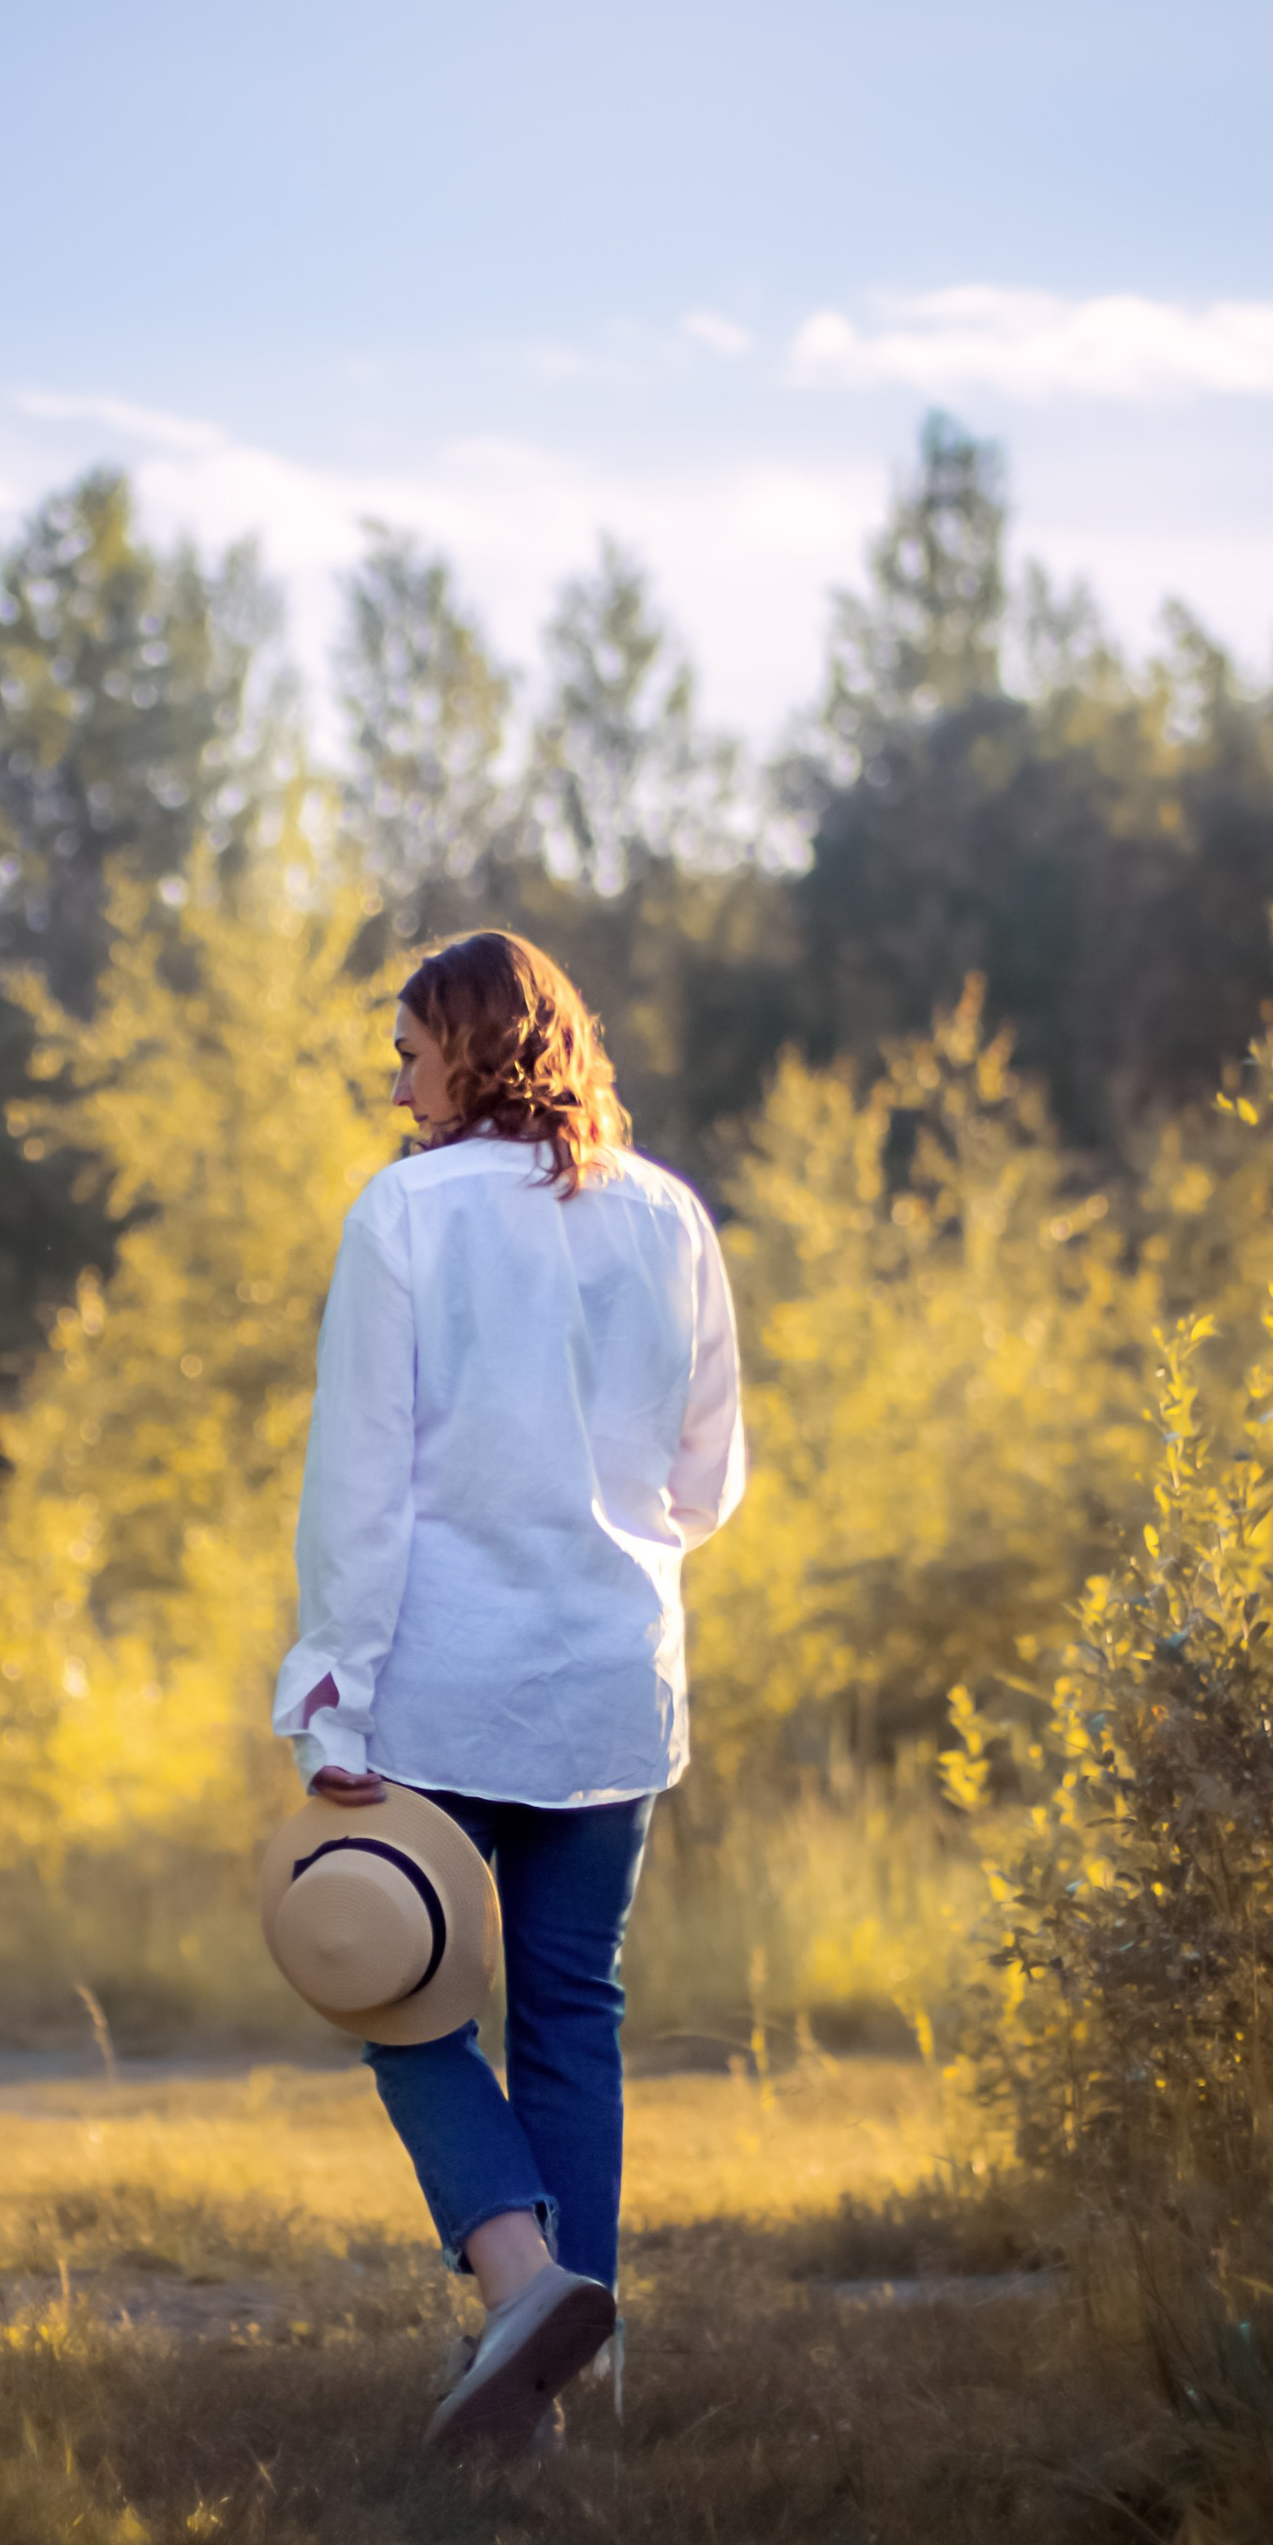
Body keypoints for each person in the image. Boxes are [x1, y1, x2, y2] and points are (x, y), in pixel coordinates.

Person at [273, 928, 747, 2453]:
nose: (394, 1080)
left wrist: (331, 1698)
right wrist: (602, 1545)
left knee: (391, 1988)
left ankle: (522, 2282)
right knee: (568, 2017)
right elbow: (708, 1481)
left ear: (472, 1049)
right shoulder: (670, 1215)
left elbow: (362, 1479)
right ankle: (570, 2388)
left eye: (409, 1050)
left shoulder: (403, 1213)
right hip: (614, 1683)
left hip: (447, 1680)